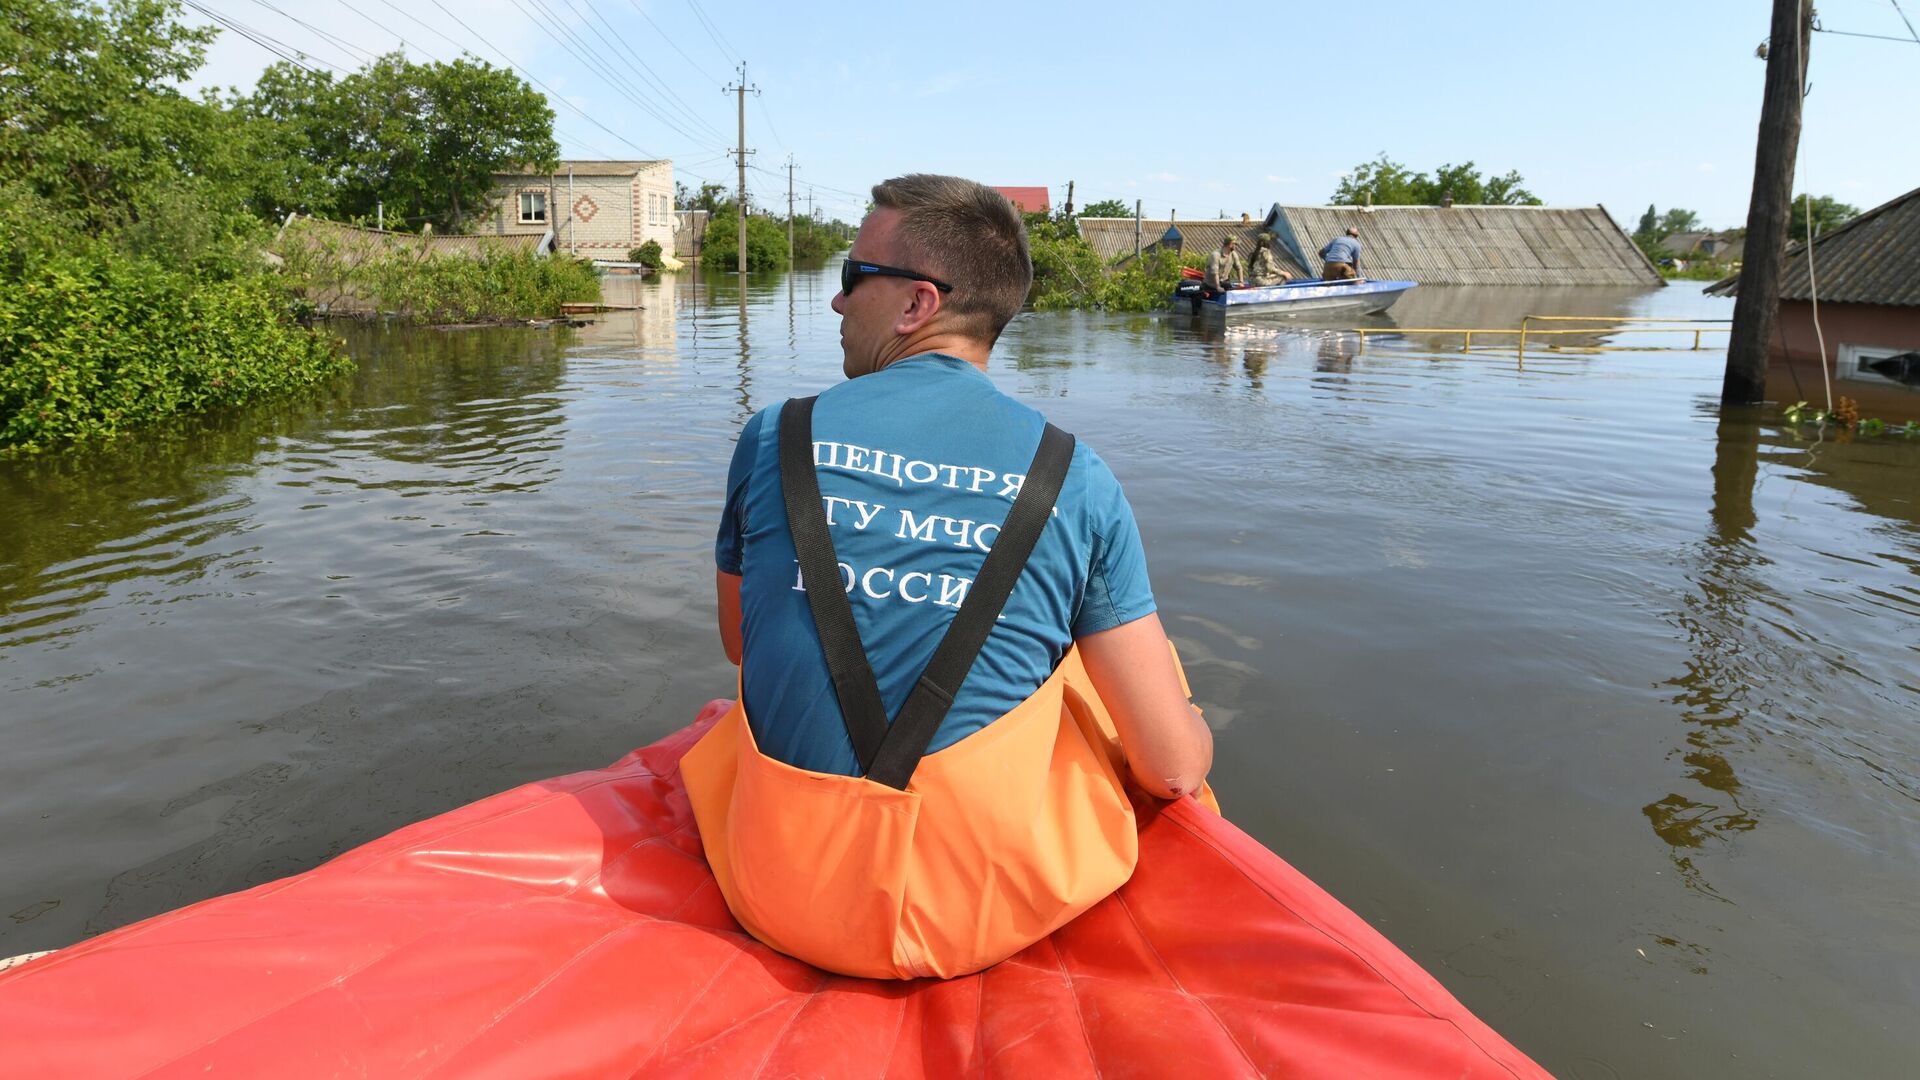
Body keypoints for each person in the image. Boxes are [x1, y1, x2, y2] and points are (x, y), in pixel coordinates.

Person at [688, 174, 1213, 980]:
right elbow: (1173, 774)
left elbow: (739, 642)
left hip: (777, 887)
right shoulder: (1073, 476)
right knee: (1107, 660)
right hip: (976, 916)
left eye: (850, 277)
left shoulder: (773, 438)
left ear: (914, 305)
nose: (836, 304)